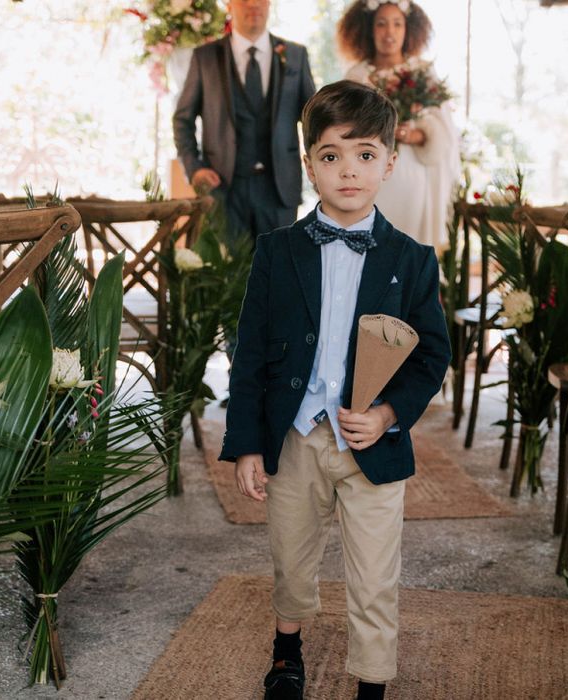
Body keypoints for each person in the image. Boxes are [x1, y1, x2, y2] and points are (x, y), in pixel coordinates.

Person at [218, 81, 450, 700]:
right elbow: (248, 355)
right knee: (291, 556)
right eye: (331, 156)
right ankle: (286, 649)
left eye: (366, 155)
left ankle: (371, 681)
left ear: (390, 163)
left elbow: (432, 354)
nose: (349, 170)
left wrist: (390, 414)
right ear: (309, 164)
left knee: (375, 574)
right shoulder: (276, 252)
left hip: (371, 440)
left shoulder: (414, 258)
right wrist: (245, 444)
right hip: (295, 436)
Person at [173, 0, 316, 241]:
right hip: (224, 188)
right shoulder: (204, 57)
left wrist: (322, 166)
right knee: (226, 275)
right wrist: (194, 168)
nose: (253, 5)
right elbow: (182, 120)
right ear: (229, 5)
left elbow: (314, 118)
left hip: (280, 188)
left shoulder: (295, 55)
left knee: (278, 273)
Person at [337, 0, 460, 252]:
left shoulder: (422, 73)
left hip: (412, 175)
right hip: (369, 178)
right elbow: (341, 129)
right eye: (381, 24)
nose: (389, 32)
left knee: (408, 249)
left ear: (408, 29)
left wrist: (415, 134)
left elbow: (442, 131)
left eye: (397, 24)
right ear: (369, 29)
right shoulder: (356, 76)